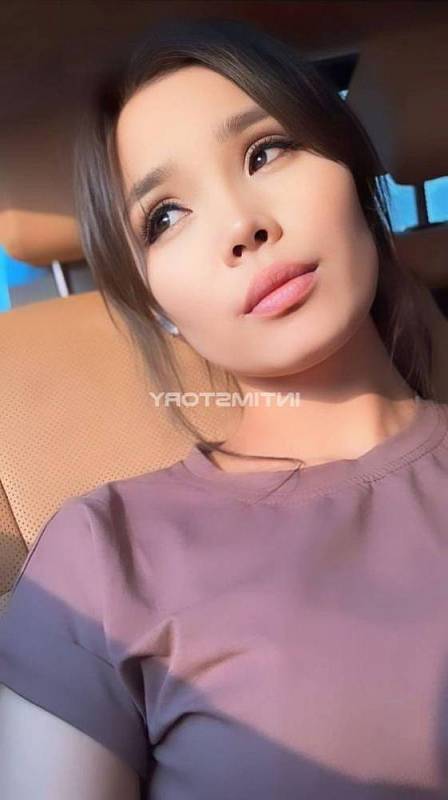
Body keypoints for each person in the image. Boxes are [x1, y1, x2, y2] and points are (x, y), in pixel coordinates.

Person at [1, 16, 447, 800]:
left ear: (351, 171)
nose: (243, 226)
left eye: (266, 152)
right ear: (155, 302)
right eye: (165, 217)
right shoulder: (102, 555)